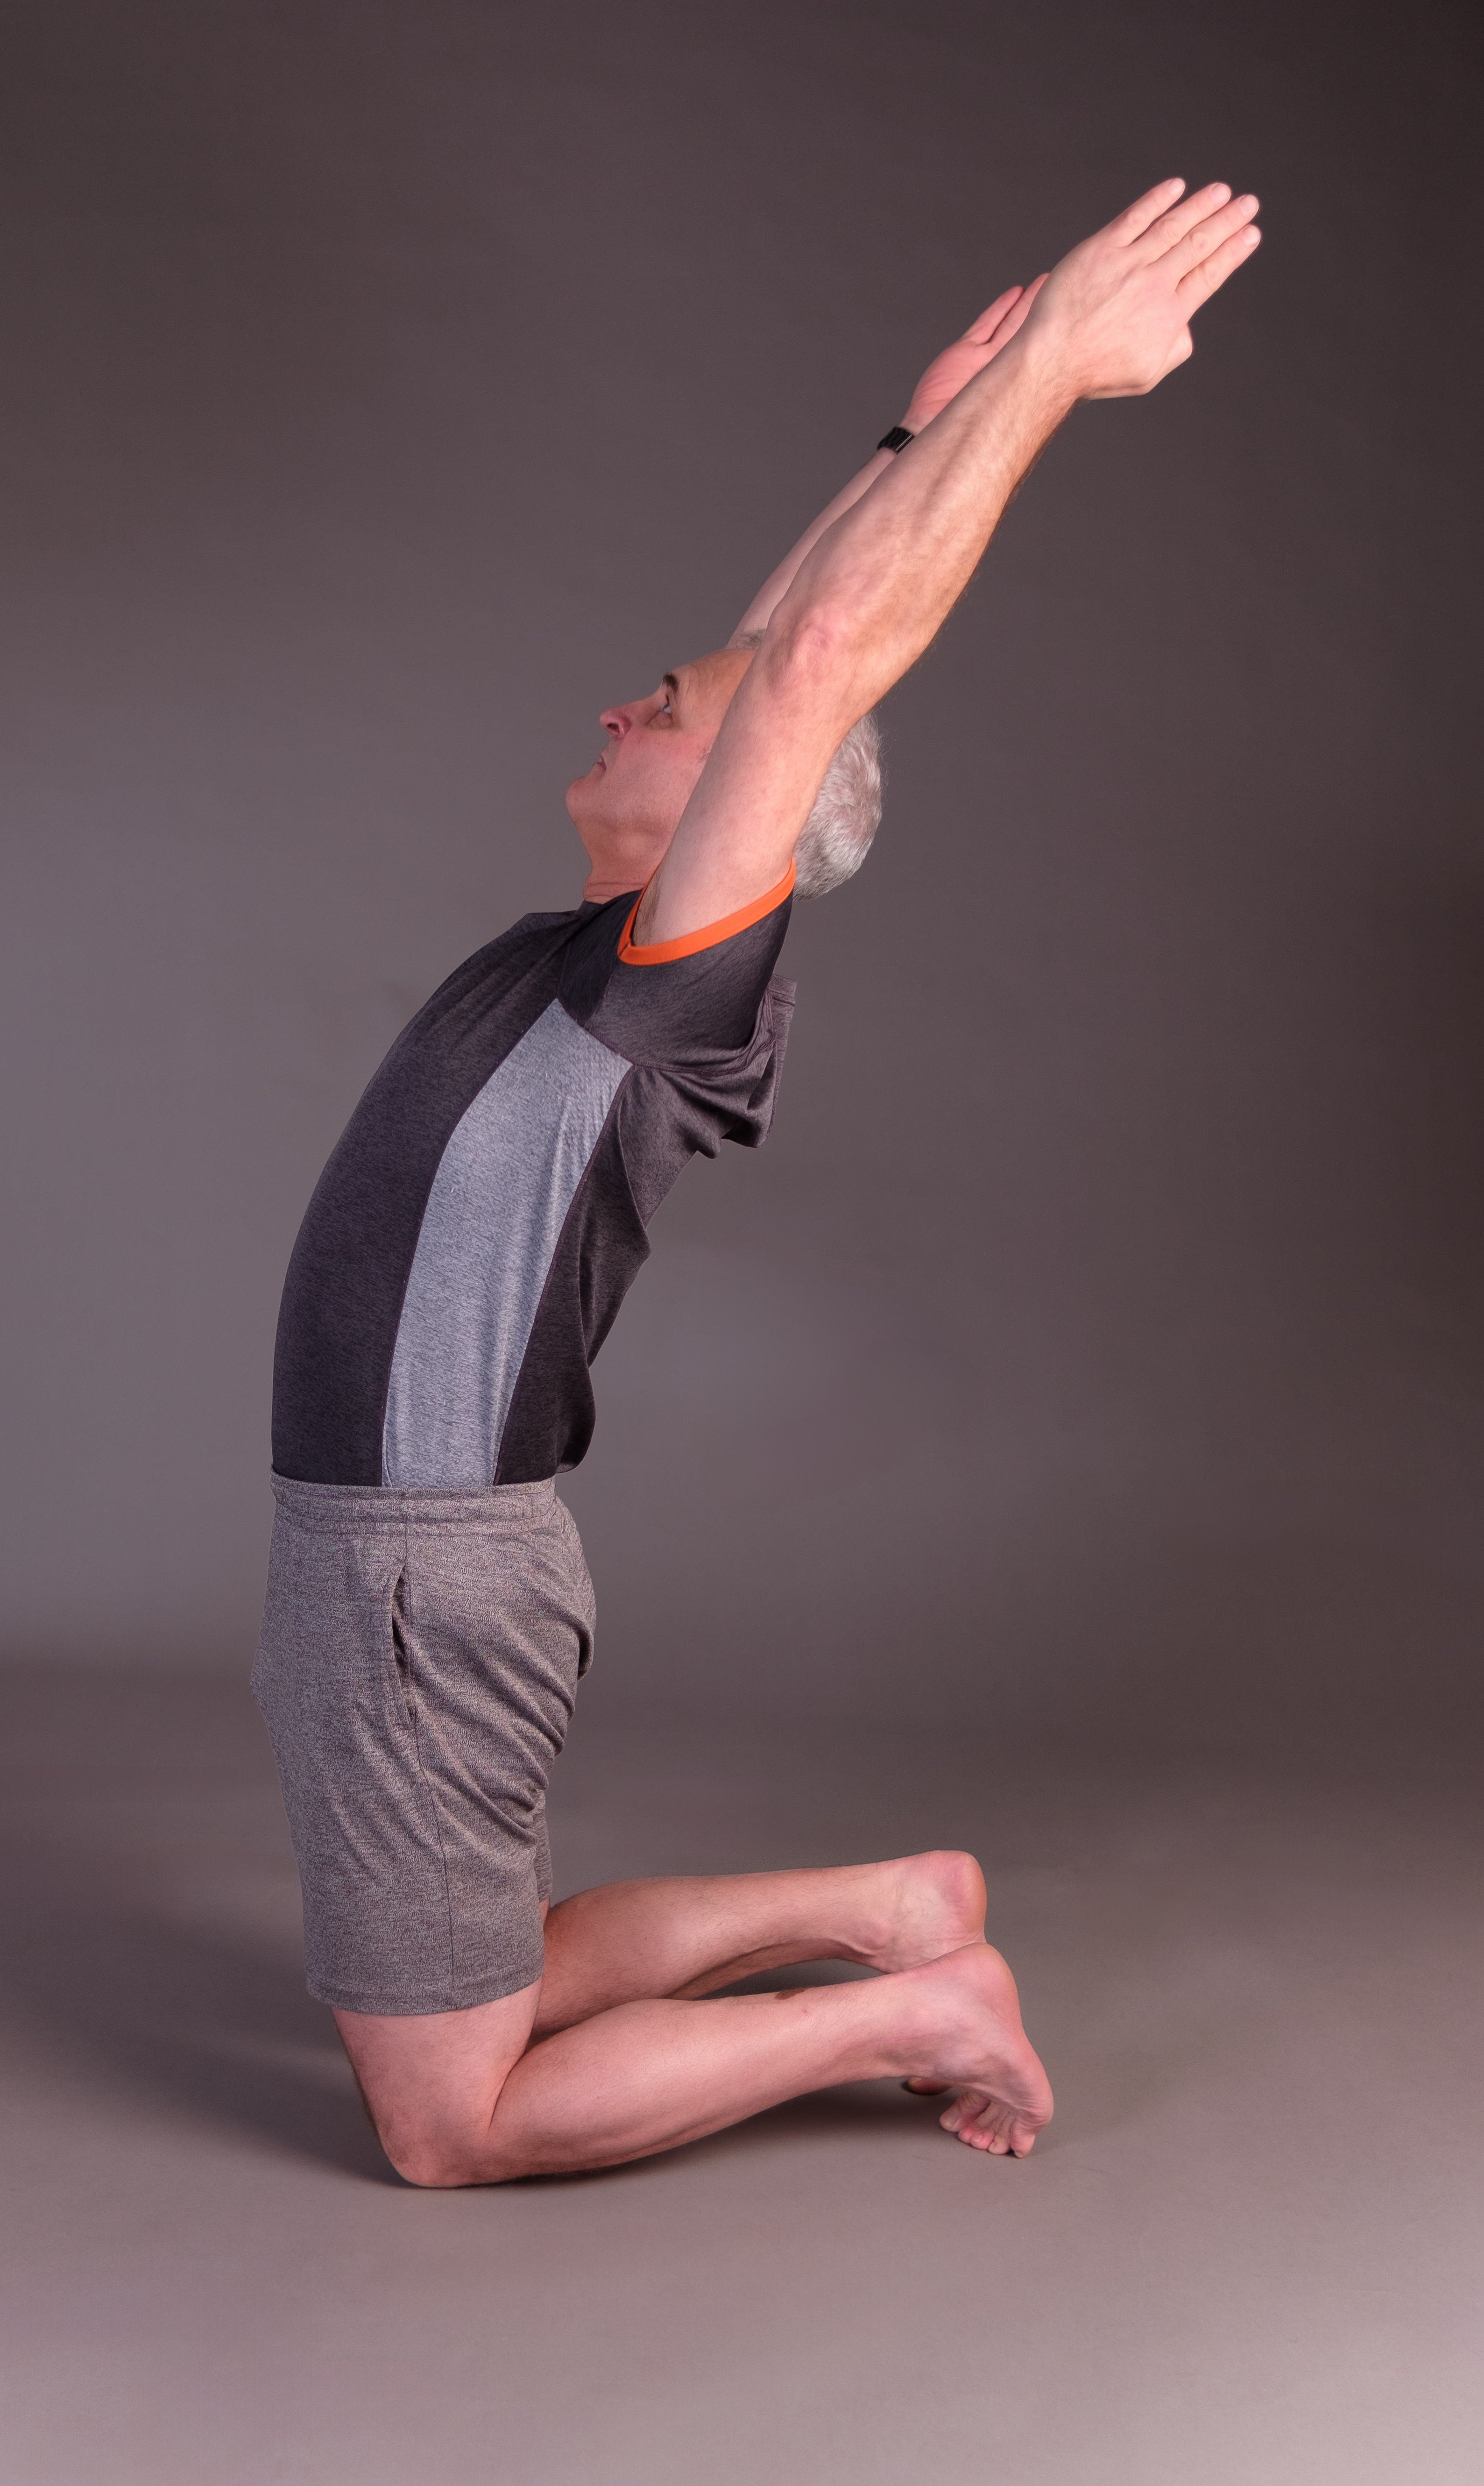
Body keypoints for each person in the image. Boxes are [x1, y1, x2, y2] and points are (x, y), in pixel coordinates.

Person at [254, 178, 1261, 2185]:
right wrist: (912, 426)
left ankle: (913, 2002)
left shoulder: (668, 986)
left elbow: (808, 663)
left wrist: (1050, 374)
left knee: (451, 2125)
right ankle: (892, 1906)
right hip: (396, 1555)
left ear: (747, 807)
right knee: (500, 1981)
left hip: (415, 1566)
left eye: (674, 716)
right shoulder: (598, 953)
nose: (632, 698)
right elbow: (775, 641)